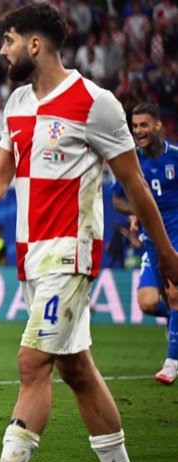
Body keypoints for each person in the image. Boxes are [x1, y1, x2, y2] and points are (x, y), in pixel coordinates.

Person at [0, 5, 178, 462]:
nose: (2, 50)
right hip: (31, 257)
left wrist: (167, 254)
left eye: (8, 41)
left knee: (32, 362)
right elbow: (0, 176)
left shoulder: (96, 103)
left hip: (71, 252)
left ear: (35, 44)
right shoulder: (17, 103)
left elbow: (134, 185)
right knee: (77, 371)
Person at [111, 102, 178, 384]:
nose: (138, 131)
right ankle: (175, 320)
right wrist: (136, 210)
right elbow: (117, 199)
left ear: (158, 125)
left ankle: (171, 364)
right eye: (135, 126)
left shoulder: (175, 157)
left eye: (144, 125)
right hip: (150, 238)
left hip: (175, 236)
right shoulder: (131, 161)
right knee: (148, 302)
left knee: (174, 294)